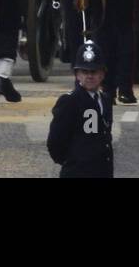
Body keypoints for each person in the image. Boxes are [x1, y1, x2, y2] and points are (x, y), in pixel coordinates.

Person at [46, 41, 114, 178]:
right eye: (84, 71)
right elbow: (55, 140)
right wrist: (71, 160)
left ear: (102, 74)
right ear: (77, 75)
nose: (89, 76)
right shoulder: (70, 101)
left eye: (94, 71)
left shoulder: (105, 100)